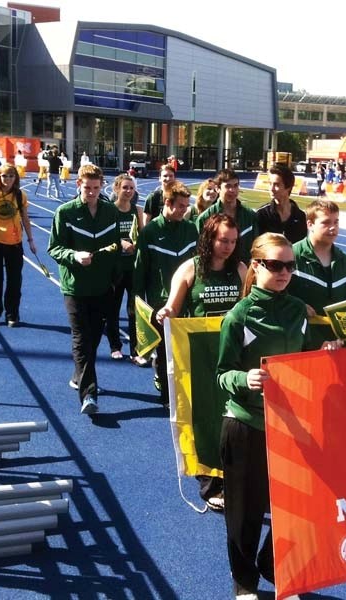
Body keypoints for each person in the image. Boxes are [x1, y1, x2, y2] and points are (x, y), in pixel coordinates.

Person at [216, 232, 338, 600]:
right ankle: (244, 583)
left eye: (289, 265)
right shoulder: (239, 315)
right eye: (274, 265)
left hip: (289, 426)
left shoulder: (299, 310)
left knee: (297, 506)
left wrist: (326, 351)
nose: (284, 272)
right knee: (245, 513)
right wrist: (245, 378)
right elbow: (222, 373)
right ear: (256, 266)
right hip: (246, 425)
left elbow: (303, 360)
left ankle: (271, 564)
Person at [156, 213, 247, 511]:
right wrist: (165, 314)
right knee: (205, 421)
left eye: (233, 241)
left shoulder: (241, 269)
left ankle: (232, 477)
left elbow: (252, 304)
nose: (228, 247)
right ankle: (209, 484)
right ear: (209, 238)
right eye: (223, 240)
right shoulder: (190, 269)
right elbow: (172, 307)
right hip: (199, 359)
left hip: (234, 356)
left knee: (233, 419)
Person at [48, 164, 121, 416]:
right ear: (78, 184)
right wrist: (73, 255)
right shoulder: (65, 212)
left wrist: (119, 256)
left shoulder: (110, 212)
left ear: (102, 186)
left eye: (95, 188)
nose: (91, 192)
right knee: (81, 339)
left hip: (102, 287)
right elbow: (54, 248)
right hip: (75, 287)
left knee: (94, 337)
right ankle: (89, 394)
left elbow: (113, 246)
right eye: (86, 187)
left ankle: (79, 373)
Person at [134, 181, 198, 406]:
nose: (184, 210)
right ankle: (166, 392)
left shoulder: (191, 229)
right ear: (167, 203)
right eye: (180, 205)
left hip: (187, 302)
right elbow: (140, 269)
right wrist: (138, 304)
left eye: (186, 206)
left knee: (183, 350)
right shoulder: (150, 232)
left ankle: (180, 388)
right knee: (163, 351)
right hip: (159, 302)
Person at [0, 165, 36, 327]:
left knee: (14, 281)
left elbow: (25, 218)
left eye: (10, 176)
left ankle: (12, 314)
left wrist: (31, 240)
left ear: (16, 177)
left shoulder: (19, 195)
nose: (7, 179)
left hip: (14, 244)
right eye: (4, 176)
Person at [288, 199, 346, 322]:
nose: (333, 227)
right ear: (310, 224)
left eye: (336, 222)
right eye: (326, 223)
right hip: (303, 337)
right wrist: (294, 305)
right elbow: (274, 293)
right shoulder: (290, 257)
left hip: (338, 338)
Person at [105, 174, 147, 366]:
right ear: (116, 189)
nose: (128, 191)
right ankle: (115, 346)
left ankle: (136, 350)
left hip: (133, 269)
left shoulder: (137, 211)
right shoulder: (109, 211)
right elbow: (104, 238)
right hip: (114, 268)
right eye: (125, 188)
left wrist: (138, 244)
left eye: (131, 188)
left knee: (134, 310)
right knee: (112, 309)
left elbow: (143, 237)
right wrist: (120, 243)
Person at [196, 168, 257, 264]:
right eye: (228, 186)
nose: (232, 190)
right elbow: (200, 250)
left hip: (243, 272)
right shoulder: (205, 218)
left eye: (235, 185)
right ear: (217, 188)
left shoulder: (250, 216)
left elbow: (256, 248)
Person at [255, 163, 307, 243]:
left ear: (288, 186)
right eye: (270, 184)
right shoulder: (262, 214)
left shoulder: (300, 216)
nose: (271, 189)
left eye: (276, 185)